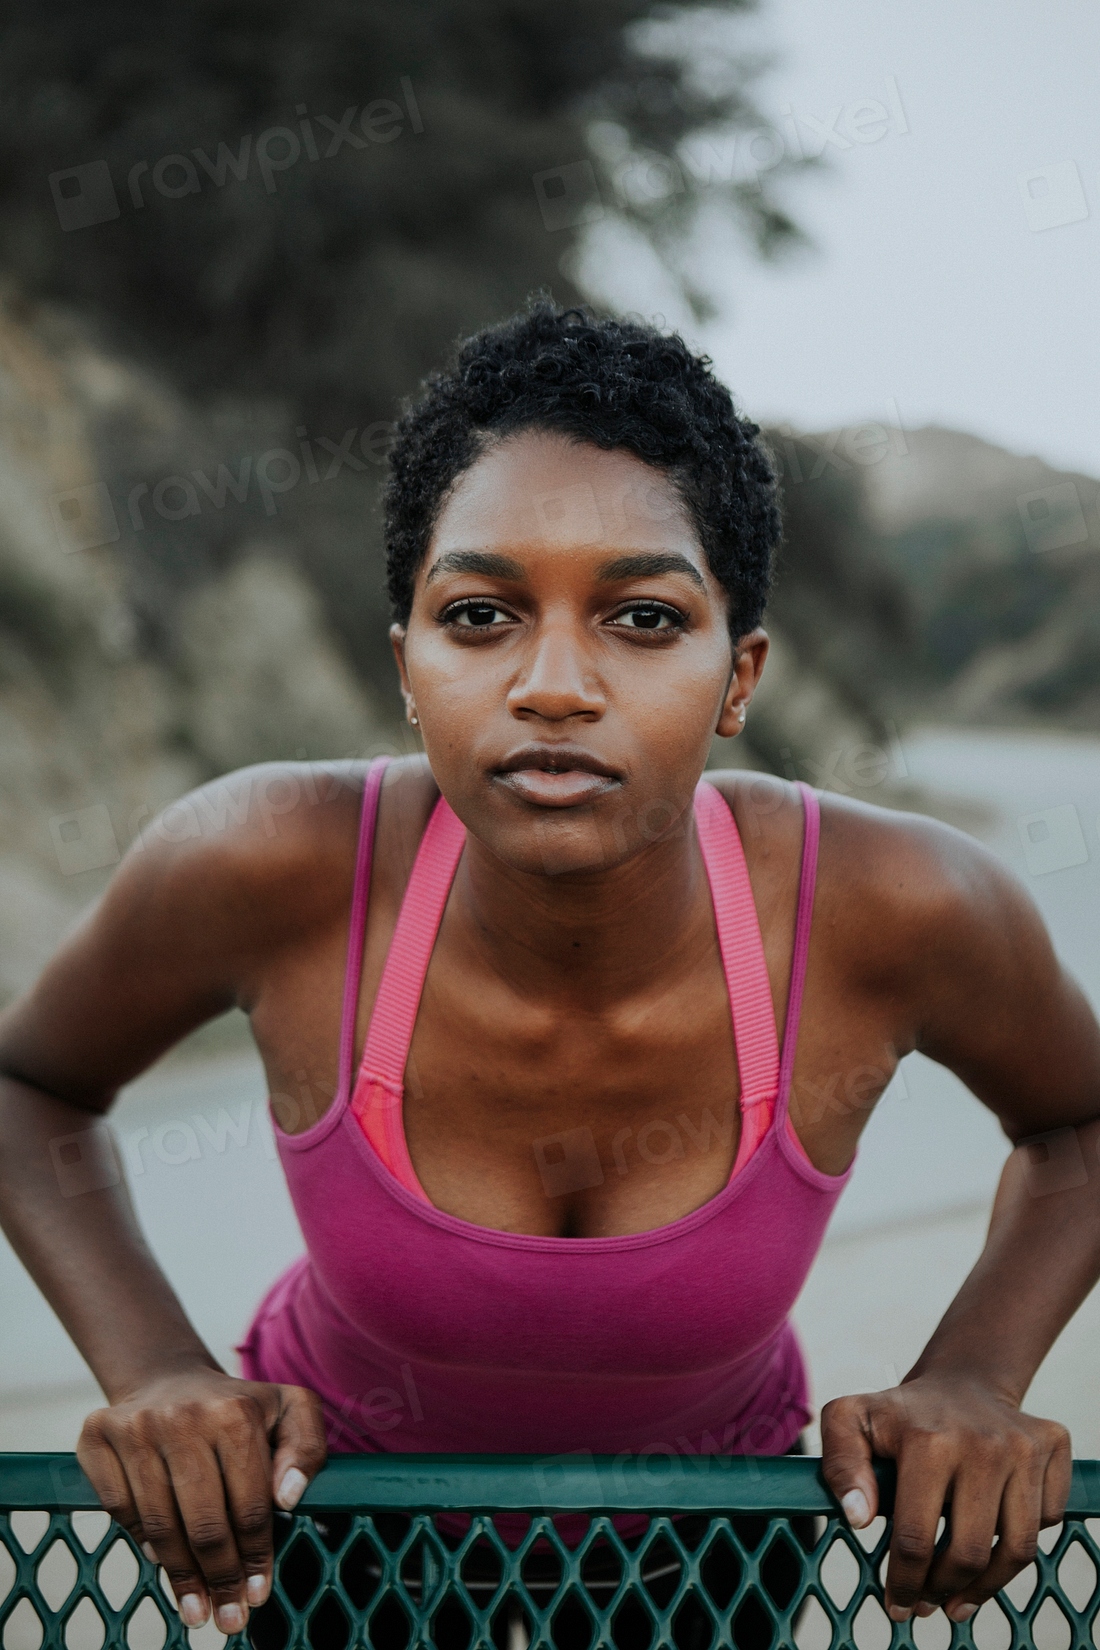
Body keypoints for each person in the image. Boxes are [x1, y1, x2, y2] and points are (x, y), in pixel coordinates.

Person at [1, 305, 1098, 1648]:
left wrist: (978, 1370)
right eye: (480, 615)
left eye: (643, 616)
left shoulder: (897, 909)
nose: (556, 683)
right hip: (337, 1523)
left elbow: (1080, 1122)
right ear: (408, 666)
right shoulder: (266, 863)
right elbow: (28, 1085)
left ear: (737, 674)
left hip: (705, 1544)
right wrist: (158, 1367)